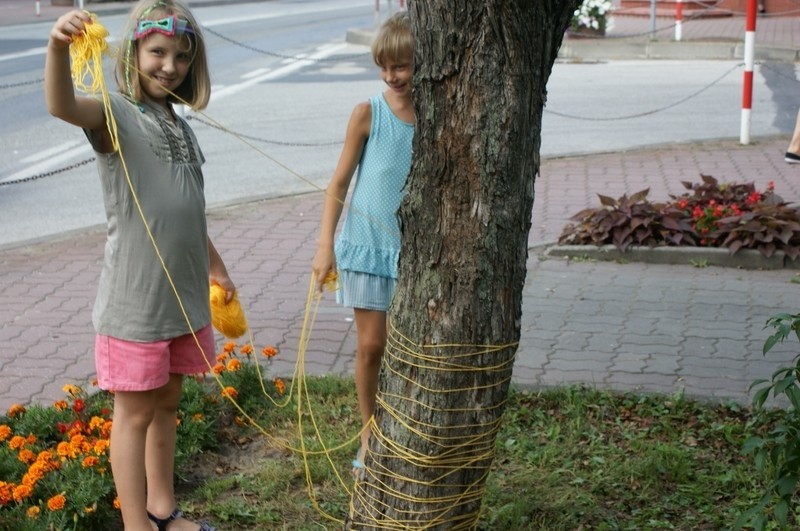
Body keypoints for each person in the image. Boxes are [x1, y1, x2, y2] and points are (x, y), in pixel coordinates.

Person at [45, 1, 233, 529]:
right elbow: (61, 104)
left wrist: (215, 267)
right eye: (156, 52)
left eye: (179, 57)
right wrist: (58, 47)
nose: (168, 66)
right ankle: (135, 525)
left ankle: (161, 509)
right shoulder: (117, 114)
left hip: (182, 300)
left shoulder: (180, 123)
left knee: (167, 405)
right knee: (133, 416)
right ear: (133, 54)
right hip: (137, 305)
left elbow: (187, 211)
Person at [311, 11, 414, 477]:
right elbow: (338, 181)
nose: (392, 76)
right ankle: (369, 430)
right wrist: (324, 246)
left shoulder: (438, 115)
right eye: (384, 66)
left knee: (409, 348)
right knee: (373, 345)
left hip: (413, 252)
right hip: (368, 248)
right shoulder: (368, 112)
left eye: (403, 66)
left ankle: (406, 426)